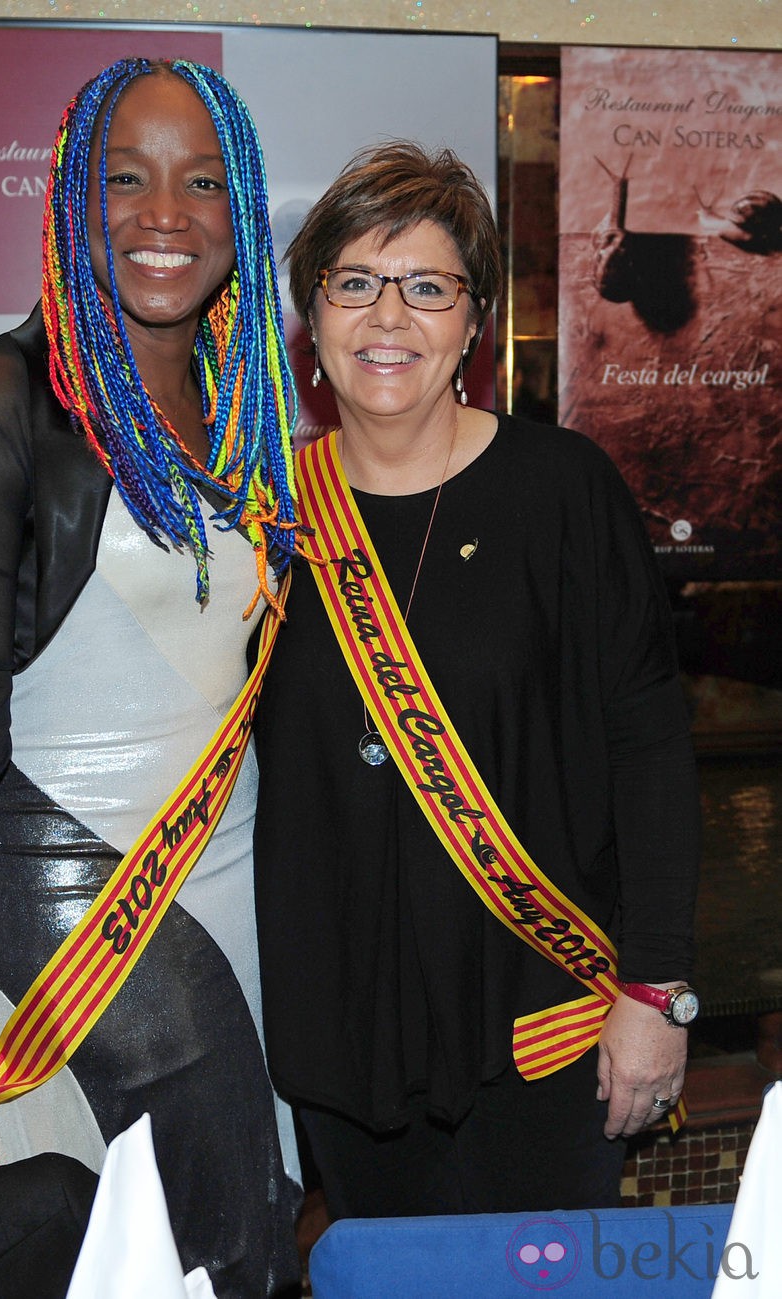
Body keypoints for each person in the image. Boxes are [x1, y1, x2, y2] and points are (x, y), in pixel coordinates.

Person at [0, 58, 302, 1298]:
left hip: (234, 868)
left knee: (241, 1206)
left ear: (239, 204)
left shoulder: (252, 402)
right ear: (73, 204)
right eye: (123, 179)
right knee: (201, 1230)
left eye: (199, 182)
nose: (162, 215)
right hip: (72, 888)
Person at [252, 142, 701, 1219]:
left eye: (426, 286)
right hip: (343, 1035)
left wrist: (657, 992)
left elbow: (648, 749)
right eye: (353, 283)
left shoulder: (562, 492)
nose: (387, 316)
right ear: (310, 322)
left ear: (474, 321)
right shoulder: (260, 517)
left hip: (545, 1028)